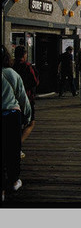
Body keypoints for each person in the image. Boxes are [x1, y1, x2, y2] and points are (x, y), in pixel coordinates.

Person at [2, 45, 32, 201]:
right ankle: (13, 181)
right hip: (11, 115)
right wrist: (27, 116)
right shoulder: (11, 74)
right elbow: (22, 96)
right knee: (13, 149)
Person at [12, 45, 39, 145]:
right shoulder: (27, 66)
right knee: (31, 122)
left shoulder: (11, 66)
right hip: (27, 97)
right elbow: (35, 82)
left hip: (13, 99)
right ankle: (17, 145)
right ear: (24, 55)